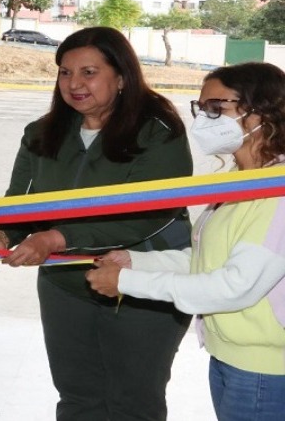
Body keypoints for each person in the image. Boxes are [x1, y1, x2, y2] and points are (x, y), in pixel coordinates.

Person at [0, 26, 194, 421]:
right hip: (64, 285)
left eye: (89, 72)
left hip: (141, 284)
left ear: (121, 77)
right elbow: (20, 202)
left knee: (133, 401)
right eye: (64, 72)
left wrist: (56, 237)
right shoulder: (41, 133)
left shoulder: (158, 133)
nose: (74, 84)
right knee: (77, 397)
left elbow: (144, 214)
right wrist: (1, 234)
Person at [86, 62, 285, 421]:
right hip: (230, 357)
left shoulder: (277, 193)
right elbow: (209, 260)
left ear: (261, 113)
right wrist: (136, 261)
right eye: (200, 108)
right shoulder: (240, 182)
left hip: (263, 371)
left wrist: (128, 283)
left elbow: (235, 286)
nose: (203, 120)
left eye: (216, 108)